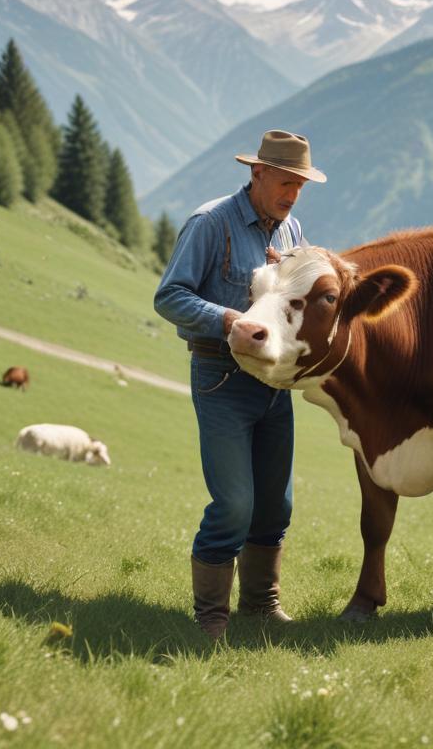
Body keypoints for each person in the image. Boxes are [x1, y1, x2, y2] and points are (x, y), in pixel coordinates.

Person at [153, 130, 326, 639]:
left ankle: (260, 606)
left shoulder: (292, 231)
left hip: (273, 384)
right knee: (234, 505)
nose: (293, 193)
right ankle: (210, 618)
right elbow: (169, 296)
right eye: (285, 180)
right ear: (256, 172)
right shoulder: (211, 223)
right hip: (220, 378)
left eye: (301, 184)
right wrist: (229, 320)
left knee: (277, 505)